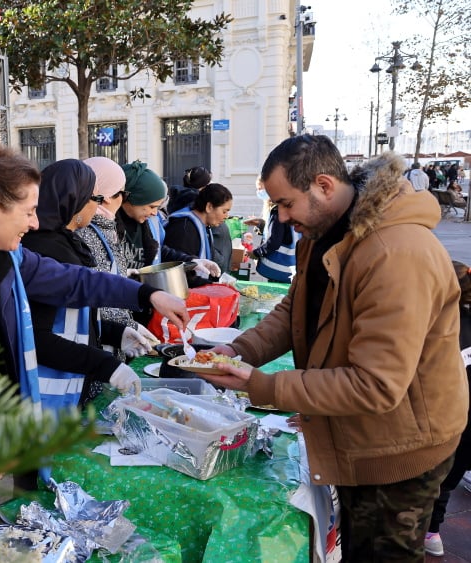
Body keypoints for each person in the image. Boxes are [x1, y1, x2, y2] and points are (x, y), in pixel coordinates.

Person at [197, 135, 467, 562]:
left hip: (400, 447)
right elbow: (295, 310)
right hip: (361, 434)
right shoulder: (323, 232)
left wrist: (262, 385)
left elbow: (376, 384)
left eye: (286, 204)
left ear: (323, 185)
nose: (282, 219)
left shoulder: (395, 252)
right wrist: (239, 352)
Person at [0, 142, 189, 412]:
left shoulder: (11, 260)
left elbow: (76, 281)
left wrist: (148, 295)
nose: (34, 223)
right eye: (29, 211)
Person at [22, 158, 160, 408]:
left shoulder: (65, 242)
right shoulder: (44, 249)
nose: (97, 208)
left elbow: (72, 318)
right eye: (94, 200)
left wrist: (116, 333)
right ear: (74, 201)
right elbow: (36, 336)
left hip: (67, 392)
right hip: (43, 400)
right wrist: (105, 365)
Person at [75, 157, 160, 362]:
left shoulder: (105, 227)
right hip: (98, 351)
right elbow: (97, 293)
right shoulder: (86, 231)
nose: (123, 199)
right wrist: (126, 327)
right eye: (121, 193)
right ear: (104, 196)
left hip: (109, 342)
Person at [424, 261, 471, 556]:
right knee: (446, 479)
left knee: (437, 477)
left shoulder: (441, 324)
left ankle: (428, 528)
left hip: (449, 419)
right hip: (460, 420)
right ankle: (432, 529)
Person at [166, 166, 233, 273]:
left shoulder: (202, 225)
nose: (226, 216)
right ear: (209, 207)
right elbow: (181, 271)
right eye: (224, 211)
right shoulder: (184, 227)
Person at [249, 179, 300, 283]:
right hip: (291, 269)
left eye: (261, 188)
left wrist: (256, 253)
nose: (259, 191)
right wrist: (262, 225)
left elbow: (274, 242)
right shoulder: (292, 208)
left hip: (277, 270)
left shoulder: (278, 212)